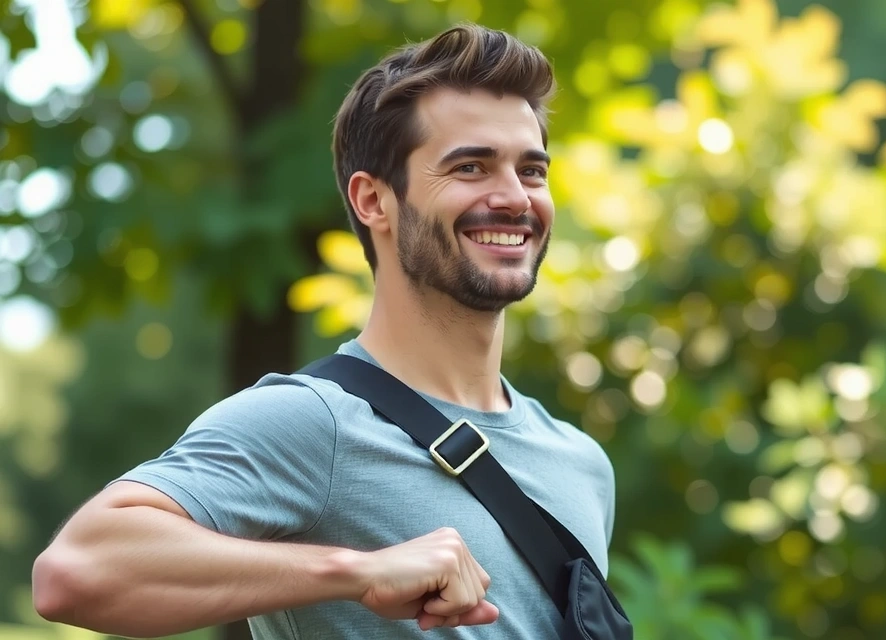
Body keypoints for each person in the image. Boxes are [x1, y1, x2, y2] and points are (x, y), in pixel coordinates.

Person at [30, 23, 617, 639]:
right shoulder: (314, 424)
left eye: (531, 171)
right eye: (470, 167)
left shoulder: (581, 462)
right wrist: (354, 572)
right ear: (372, 201)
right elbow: (74, 572)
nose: (514, 198)